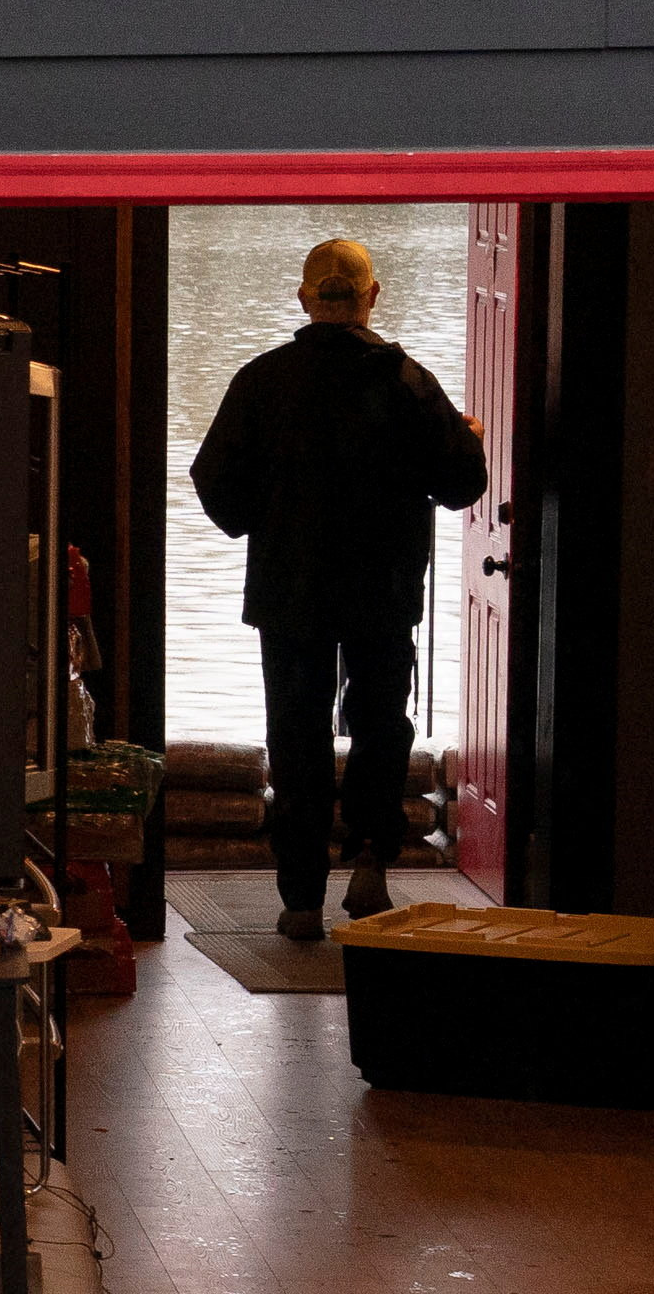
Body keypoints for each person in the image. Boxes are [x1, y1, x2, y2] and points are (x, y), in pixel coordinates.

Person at [187, 235, 488, 941]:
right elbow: (462, 484)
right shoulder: (408, 384)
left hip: (288, 592)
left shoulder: (262, 381)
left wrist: (264, 508)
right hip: (383, 593)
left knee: (295, 734)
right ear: (372, 297)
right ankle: (371, 867)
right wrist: (466, 436)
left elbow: (216, 488)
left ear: (303, 299)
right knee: (382, 724)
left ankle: (299, 899)